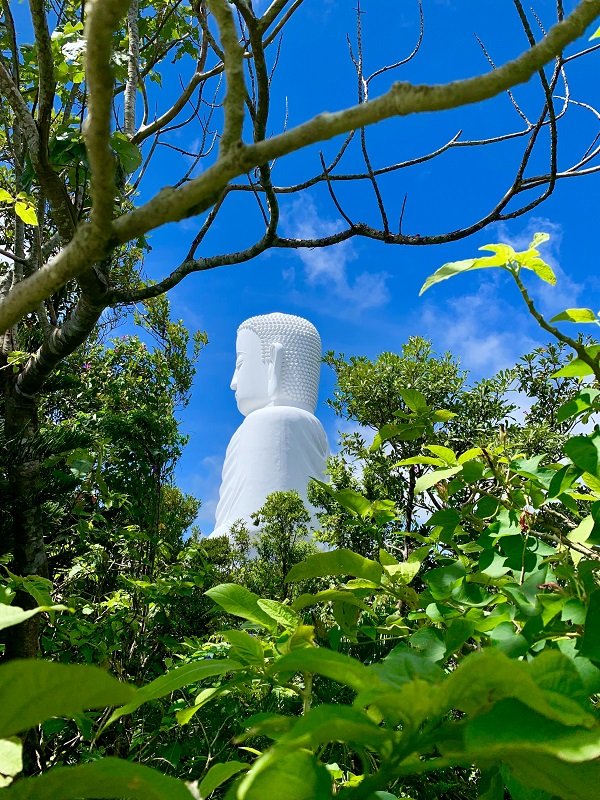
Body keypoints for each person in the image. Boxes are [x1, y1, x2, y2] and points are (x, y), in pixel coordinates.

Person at [210, 313, 329, 539]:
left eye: (240, 363)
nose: (233, 382)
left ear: (274, 361)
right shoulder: (314, 427)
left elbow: (255, 527)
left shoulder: (271, 421)